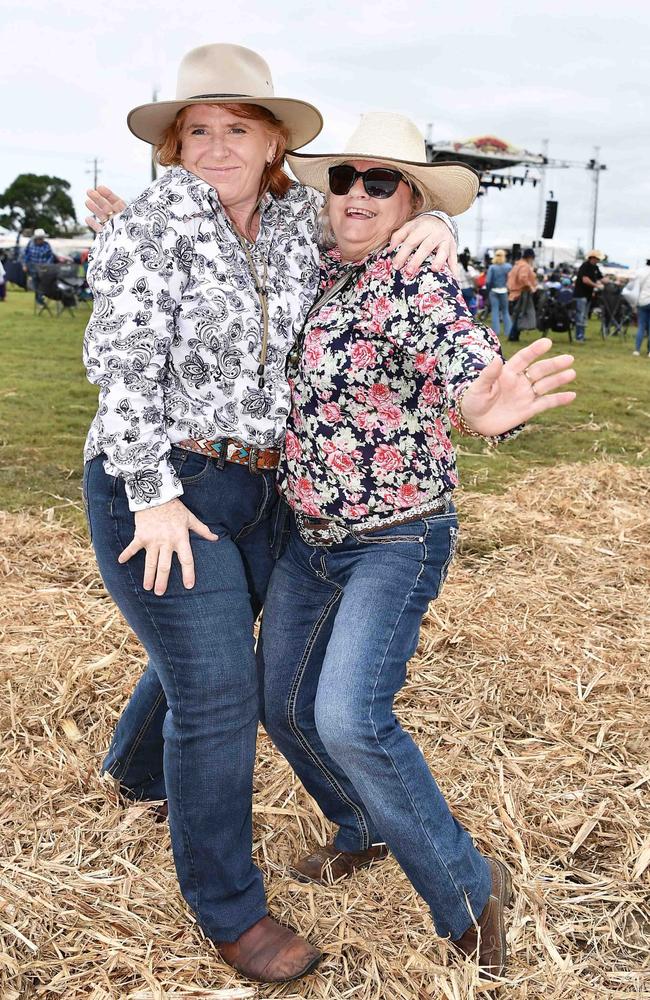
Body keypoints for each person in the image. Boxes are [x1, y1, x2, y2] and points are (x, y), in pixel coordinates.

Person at [82, 43, 458, 985]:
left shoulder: (299, 220)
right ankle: (230, 909)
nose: (214, 145)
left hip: (267, 487)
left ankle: (132, 771)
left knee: (205, 653)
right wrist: (153, 496)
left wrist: (441, 234)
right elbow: (121, 369)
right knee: (220, 695)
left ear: (275, 140)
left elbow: (380, 241)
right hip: (162, 481)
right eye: (195, 130)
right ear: (174, 145)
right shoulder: (149, 228)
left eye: (235, 127)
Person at [259, 112, 576, 980]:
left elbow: (467, 360)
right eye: (345, 178)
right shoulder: (311, 263)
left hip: (398, 537)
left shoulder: (416, 280)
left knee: (349, 719)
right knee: (281, 706)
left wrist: (484, 406)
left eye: (382, 182)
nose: (357, 194)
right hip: (311, 537)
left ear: (409, 199)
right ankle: (362, 826)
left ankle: (470, 895)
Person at [506, 248, 537, 341]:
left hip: (514, 292)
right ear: (530, 257)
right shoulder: (525, 266)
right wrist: (531, 286)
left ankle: (514, 335)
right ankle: (513, 335)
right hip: (521, 292)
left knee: (517, 314)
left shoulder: (517, 265)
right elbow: (523, 278)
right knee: (520, 314)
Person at [573, 250, 604, 342]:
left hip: (588, 296)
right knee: (580, 315)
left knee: (584, 316)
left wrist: (610, 281)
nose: (598, 260)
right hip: (581, 295)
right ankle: (578, 336)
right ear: (592, 258)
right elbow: (585, 280)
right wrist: (597, 285)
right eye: (597, 258)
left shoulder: (595, 268)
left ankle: (581, 335)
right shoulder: (585, 266)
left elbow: (600, 278)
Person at [23, 227, 55, 304]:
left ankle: (41, 297)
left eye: (42, 238)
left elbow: (50, 256)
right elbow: (26, 255)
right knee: (36, 284)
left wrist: (47, 265)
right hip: (33, 268)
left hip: (44, 269)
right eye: (39, 238)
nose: (41, 240)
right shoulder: (30, 244)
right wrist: (25, 265)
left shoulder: (47, 245)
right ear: (36, 238)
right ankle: (39, 299)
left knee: (44, 283)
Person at [485, 248, 512, 336]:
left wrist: (488, 290)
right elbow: (510, 279)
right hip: (504, 290)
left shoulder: (492, 267)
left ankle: (496, 332)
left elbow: (488, 281)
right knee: (505, 311)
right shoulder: (508, 267)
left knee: (495, 311)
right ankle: (508, 332)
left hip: (494, 290)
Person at [631, 258, 650, 356]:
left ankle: (637, 350)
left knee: (641, 326)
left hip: (642, 301)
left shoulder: (641, 272)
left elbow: (634, 287)